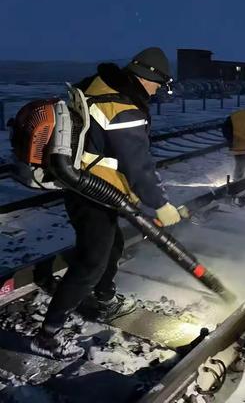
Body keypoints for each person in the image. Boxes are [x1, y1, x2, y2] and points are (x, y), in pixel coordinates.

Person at [32, 47, 183, 360]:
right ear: (148, 78)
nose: (158, 90)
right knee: (91, 263)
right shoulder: (121, 107)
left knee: (112, 246)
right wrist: (160, 204)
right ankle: (47, 336)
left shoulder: (100, 86)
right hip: (92, 194)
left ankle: (104, 297)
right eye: (160, 83)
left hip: (89, 186)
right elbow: (138, 165)